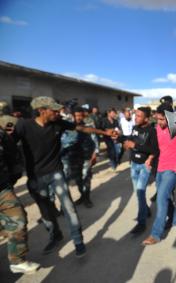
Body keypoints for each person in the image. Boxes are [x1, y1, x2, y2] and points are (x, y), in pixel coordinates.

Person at [12, 96, 115, 257]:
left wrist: (104, 132)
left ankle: (78, 241)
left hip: (56, 173)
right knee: (46, 211)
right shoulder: (24, 126)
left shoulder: (58, 123)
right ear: (41, 111)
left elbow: (81, 129)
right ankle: (56, 236)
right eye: (54, 110)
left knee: (68, 207)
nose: (58, 112)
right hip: (36, 178)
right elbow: (9, 144)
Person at [142, 103, 176, 245]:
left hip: (174, 169)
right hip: (160, 168)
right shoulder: (157, 128)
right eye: (157, 119)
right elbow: (158, 148)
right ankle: (174, 219)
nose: (159, 122)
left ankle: (156, 234)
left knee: (161, 198)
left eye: (162, 119)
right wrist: (150, 158)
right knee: (165, 196)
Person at [0, 127, 40, 274]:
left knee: (18, 219)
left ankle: (17, 260)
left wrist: (10, 179)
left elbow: (13, 156)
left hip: (2, 189)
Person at [122, 107, 159, 235]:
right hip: (134, 165)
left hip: (144, 166)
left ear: (147, 119)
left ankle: (141, 223)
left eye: (138, 116)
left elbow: (155, 150)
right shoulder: (135, 128)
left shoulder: (152, 131)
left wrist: (135, 146)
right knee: (138, 193)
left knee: (139, 193)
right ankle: (146, 210)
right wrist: (126, 143)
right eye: (135, 115)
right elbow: (132, 141)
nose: (135, 118)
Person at [61, 106, 97, 208]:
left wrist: (95, 153)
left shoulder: (89, 123)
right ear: (73, 115)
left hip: (86, 155)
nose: (79, 118)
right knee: (78, 179)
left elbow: (95, 139)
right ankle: (82, 196)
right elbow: (62, 140)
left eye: (80, 115)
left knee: (86, 177)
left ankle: (87, 199)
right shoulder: (67, 124)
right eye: (77, 115)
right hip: (73, 156)